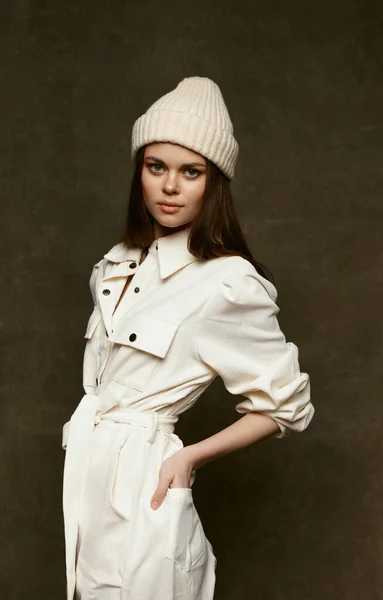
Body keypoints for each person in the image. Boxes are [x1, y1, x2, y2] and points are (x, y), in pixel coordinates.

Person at [61, 76, 315, 600]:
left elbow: (286, 406)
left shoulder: (226, 282)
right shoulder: (112, 266)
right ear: (140, 173)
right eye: (156, 167)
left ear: (212, 182)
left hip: (145, 483)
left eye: (190, 172)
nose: (170, 186)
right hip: (87, 476)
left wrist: (187, 458)